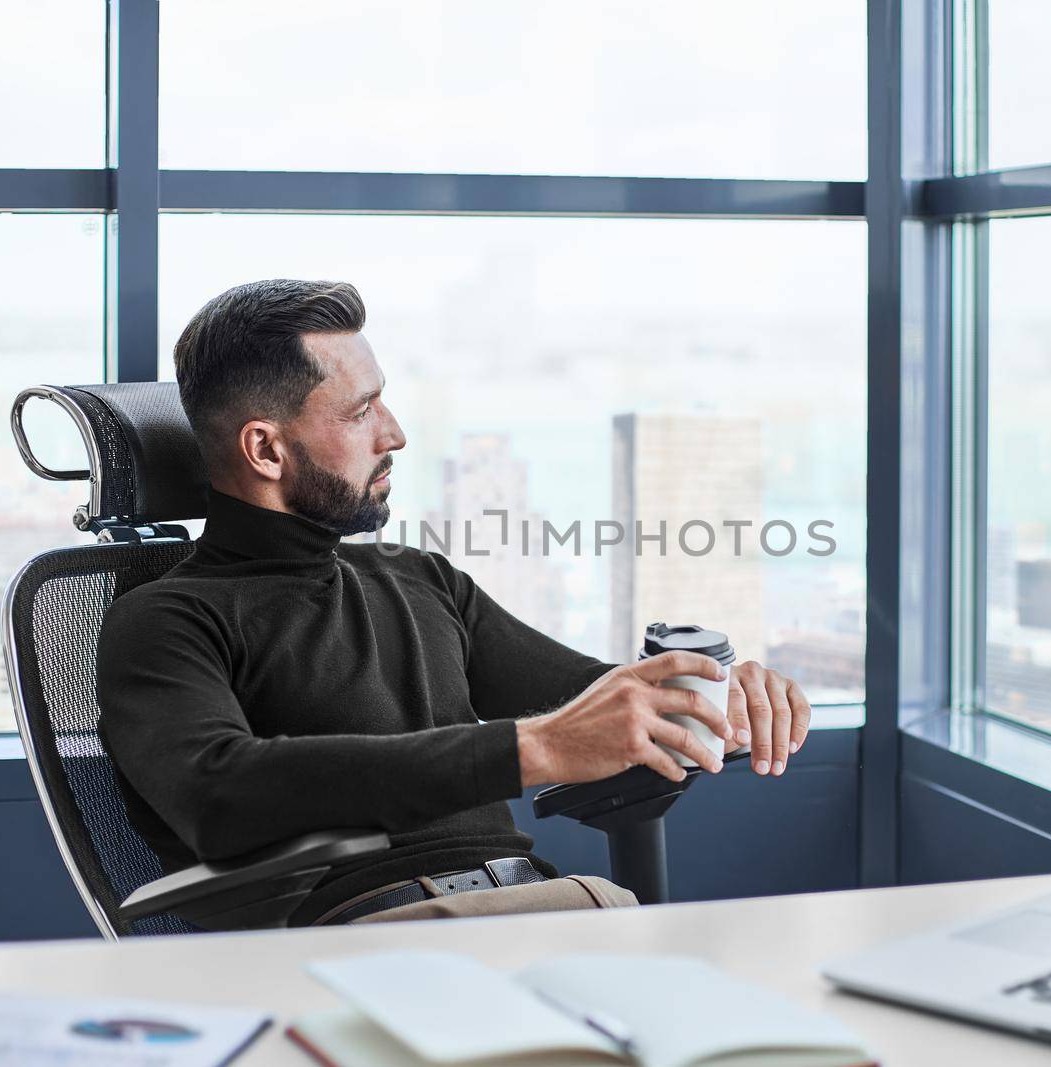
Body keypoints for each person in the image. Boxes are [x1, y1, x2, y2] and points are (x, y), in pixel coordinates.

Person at [97, 278, 814, 926]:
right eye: (360, 411)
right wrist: (530, 748)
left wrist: (716, 701)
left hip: (539, 908)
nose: (394, 433)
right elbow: (222, 796)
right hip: (378, 939)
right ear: (265, 450)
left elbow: (596, 703)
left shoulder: (419, 580)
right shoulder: (165, 621)